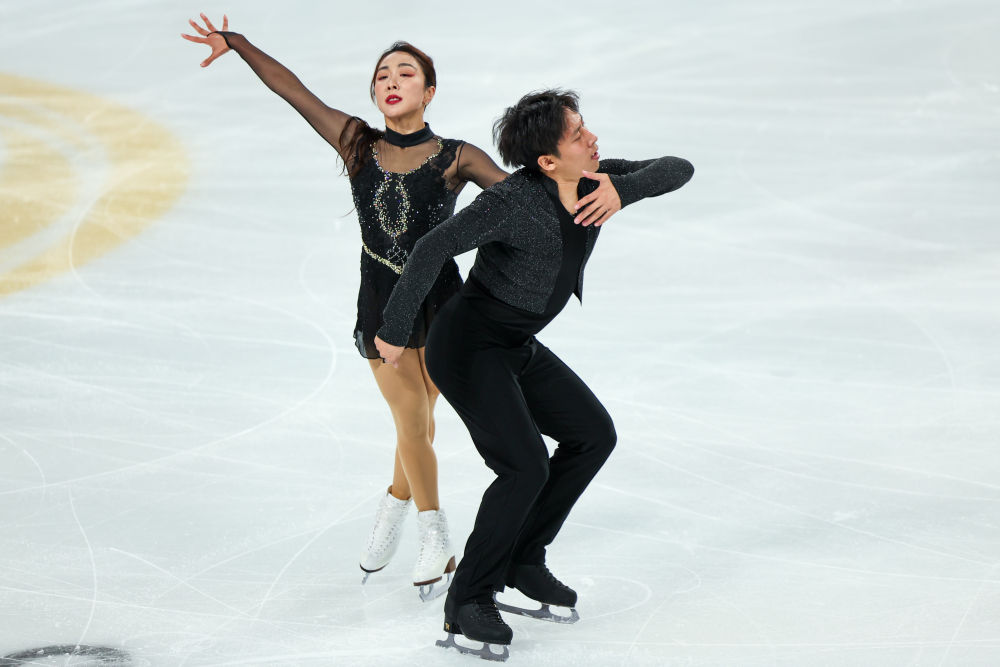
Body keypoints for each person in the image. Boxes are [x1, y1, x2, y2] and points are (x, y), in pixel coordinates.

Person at [179, 14, 581, 601]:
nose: (391, 81)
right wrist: (237, 43)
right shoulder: (356, 143)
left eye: (406, 73)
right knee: (411, 419)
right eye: (382, 75)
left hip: (445, 307)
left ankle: (394, 504)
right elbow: (293, 91)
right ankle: (434, 533)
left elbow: (519, 204)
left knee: (419, 422)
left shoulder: (457, 156)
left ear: (429, 90)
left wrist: (585, 185)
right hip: (379, 304)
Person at [374, 89, 693, 659]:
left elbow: (678, 168)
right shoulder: (513, 202)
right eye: (578, 134)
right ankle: (468, 599)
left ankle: (522, 559)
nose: (592, 139)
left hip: (515, 343)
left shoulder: (596, 182)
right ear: (547, 160)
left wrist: (625, 189)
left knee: (592, 435)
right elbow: (432, 246)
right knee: (523, 466)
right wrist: (395, 327)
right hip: (467, 346)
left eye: (585, 127)